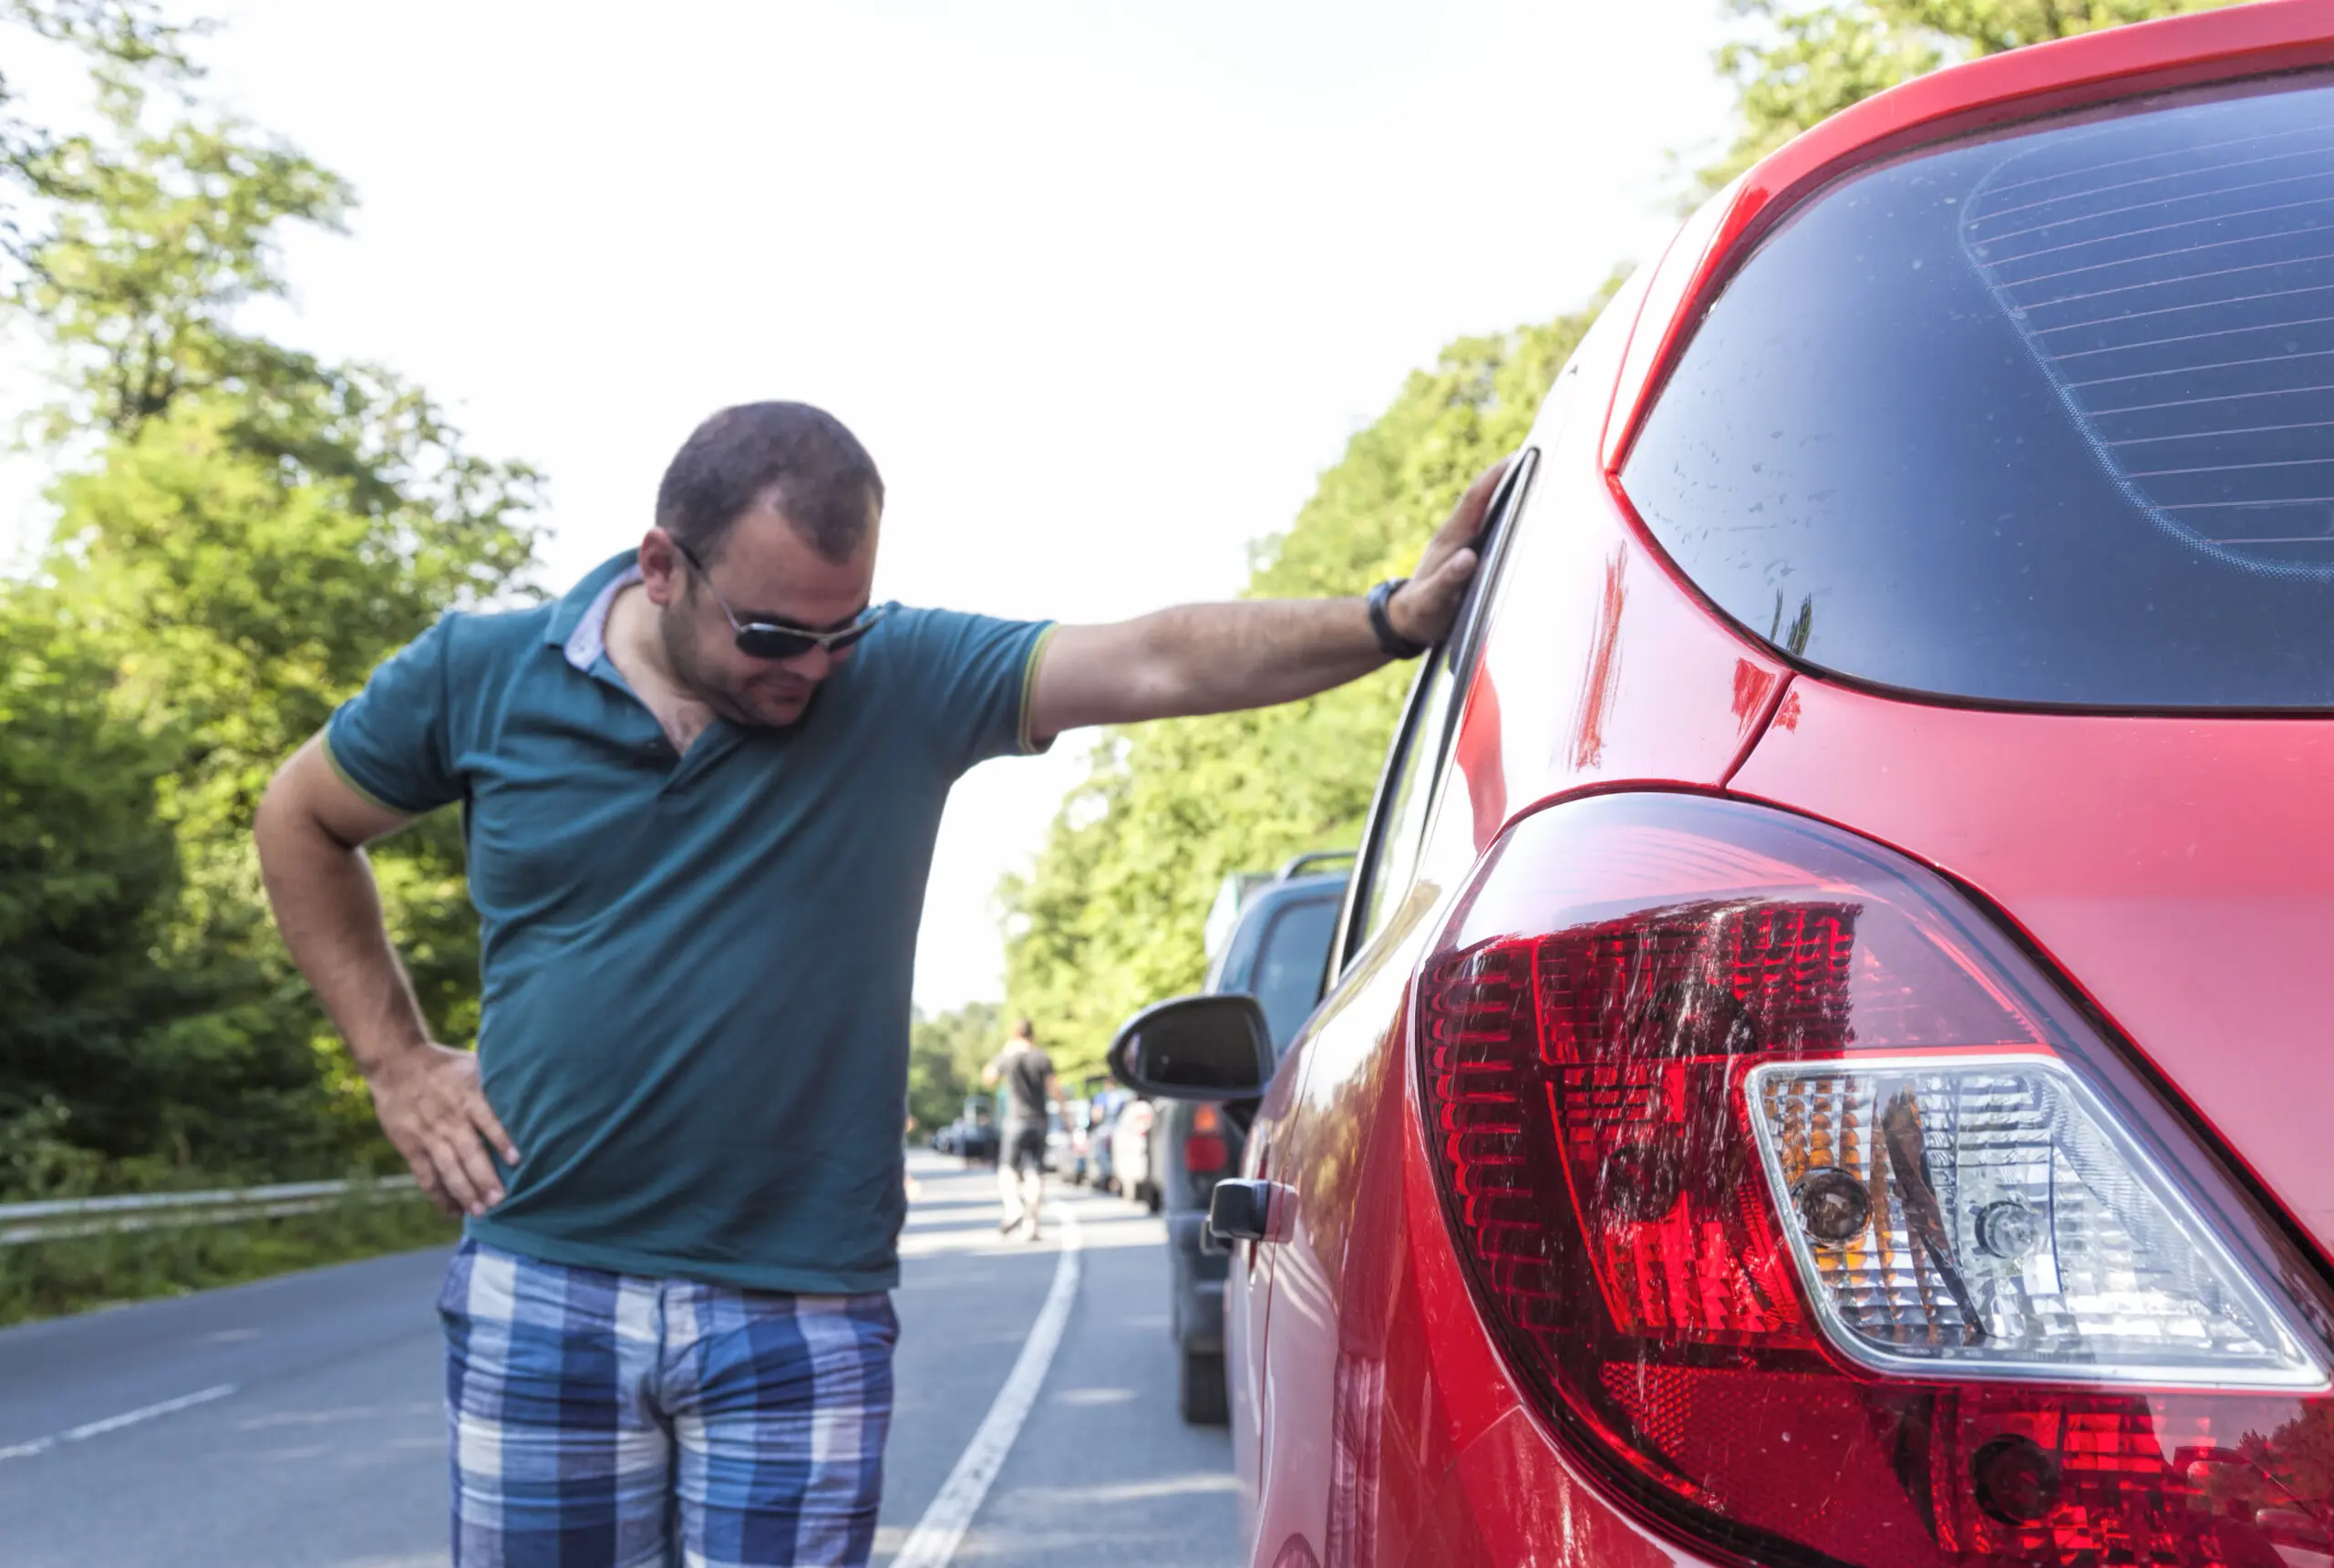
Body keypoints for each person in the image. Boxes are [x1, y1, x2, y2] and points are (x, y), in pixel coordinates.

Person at [252, 399, 1502, 1568]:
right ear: (660, 566)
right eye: (774, 634)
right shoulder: (477, 675)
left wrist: (1388, 620)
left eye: (840, 629)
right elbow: (301, 819)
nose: (812, 668)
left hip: (797, 1311)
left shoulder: (898, 678)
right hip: (542, 1283)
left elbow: (1154, 660)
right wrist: (395, 1060)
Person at [981, 1019, 1057, 1241]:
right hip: (1039, 1121)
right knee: (1035, 1173)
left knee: (1007, 1170)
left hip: (1015, 1121)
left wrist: (1003, 1053)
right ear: (1033, 1035)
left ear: (1015, 1035)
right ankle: (1031, 1226)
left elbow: (988, 1078)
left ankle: (1013, 1206)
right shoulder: (1042, 1057)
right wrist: (1066, 1116)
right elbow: (1054, 1090)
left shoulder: (1009, 1056)